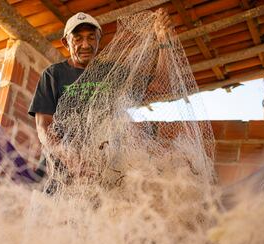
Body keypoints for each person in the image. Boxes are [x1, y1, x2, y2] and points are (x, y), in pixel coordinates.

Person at [28, 10, 172, 185]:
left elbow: (161, 86)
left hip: (103, 171)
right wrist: (72, 161)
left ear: (99, 40)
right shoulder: (53, 75)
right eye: (78, 38)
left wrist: (164, 41)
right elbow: (43, 128)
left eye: (91, 37)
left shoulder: (113, 72)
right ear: (66, 43)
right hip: (59, 175)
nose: (86, 44)